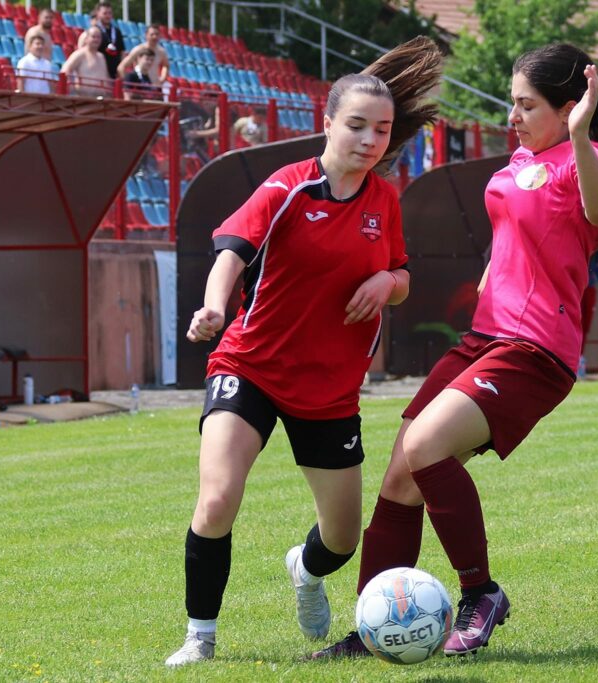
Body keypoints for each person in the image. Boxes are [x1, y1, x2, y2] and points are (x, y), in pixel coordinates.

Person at [312, 42, 598, 660]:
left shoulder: (587, 158)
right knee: (400, 474)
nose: (513, 117)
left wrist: (578, 137)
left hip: (535, 348)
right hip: (484, 337)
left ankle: (480, 594)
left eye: (527, 105)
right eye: (512, 103)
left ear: (569, 109)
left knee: (423, 446)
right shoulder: (517, 162)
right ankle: (368, 633)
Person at [163, 36, 443, 668]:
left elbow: (401, 277)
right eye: (357, 126)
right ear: (327, 124)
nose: (370, 140)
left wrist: (385, 282)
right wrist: (212, 307)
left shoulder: (385, 203)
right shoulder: (286, 188)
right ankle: (199, 636)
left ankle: (305, 570)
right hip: (250, 366)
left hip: (331, 389)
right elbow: (231, 251)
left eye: (381, 130)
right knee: (216, 499)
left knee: (342, 539)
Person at [61, 27, 110, 97]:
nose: (96, 39)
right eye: (93, 37)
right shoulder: (80, 54)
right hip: (83, 99)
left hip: (100, 100)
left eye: (98, 37)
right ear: (86, 39)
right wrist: (72, 88)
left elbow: (106, 78)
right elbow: (65, 71)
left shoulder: (101, 56)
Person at [91, 1, 124, 79]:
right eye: (105, 13)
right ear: (98, 13)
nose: (108, 16)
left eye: (110, 13)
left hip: (114, 73)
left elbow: (121, 52)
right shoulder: (95, 30)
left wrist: (120, 70)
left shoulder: (117, 31)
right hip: (98, 72)